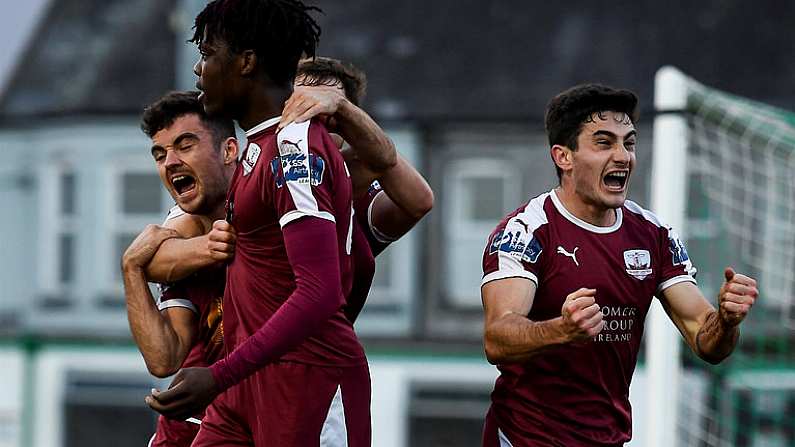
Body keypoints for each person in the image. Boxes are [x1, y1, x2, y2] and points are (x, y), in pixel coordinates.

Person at [145, 1, 374, 445]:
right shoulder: (256, 148)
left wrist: (219, 374)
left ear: (246, 61)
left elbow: (322, 290)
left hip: (306, 382)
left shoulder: (295, 148)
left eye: (209, 54)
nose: (198, 69)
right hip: (243, 381)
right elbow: (358, 261)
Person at [480, 84, 758, 446]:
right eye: (604, 142)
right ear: (563, 156)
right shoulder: (526, 232)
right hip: (526, 437)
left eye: (629, 143)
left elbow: (708, 342)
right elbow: (497, 338)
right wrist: (562, 330)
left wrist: (726, 319)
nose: (623, 156)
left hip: (608, 438)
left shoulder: (653, 235)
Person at [122, 90, 238, 447]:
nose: (169, 162)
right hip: (191, 429)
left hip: (281, 410)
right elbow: (163, 359)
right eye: (160, 154)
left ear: (230, 150)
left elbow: (415, 201)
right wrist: (131, 268)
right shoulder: (182, 226)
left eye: (185, 145)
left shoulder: (269, 199)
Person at [287, 56, 434, 321]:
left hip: (323, 347)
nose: (313, 122)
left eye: (327, 116)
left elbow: (419, 201)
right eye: (303, 105)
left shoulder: (361, 187)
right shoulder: (255, 169)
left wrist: (343, 109)